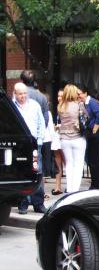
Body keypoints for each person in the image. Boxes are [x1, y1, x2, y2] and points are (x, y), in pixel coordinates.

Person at [12, 83, 46, 213]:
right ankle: (23, 203)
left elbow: (41, 123)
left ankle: (38, 203)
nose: (23, 96)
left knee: (37, 173)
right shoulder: (12, 106)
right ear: (15, 93)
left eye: (25, 93)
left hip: (34, 144)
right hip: (20, 145)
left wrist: (40, 141)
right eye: (20, 94)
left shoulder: (34, 105)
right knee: (22, 174)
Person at [58, 84, 86, 193]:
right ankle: (75, 189)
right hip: (78, 137)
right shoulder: (79, 105)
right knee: (78, 165)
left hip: (64, 138)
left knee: (68, 165)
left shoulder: (61, 106)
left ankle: (69, 189)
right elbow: (86, 118)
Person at [77, 85, 99, 190]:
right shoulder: (84, 103)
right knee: (92, 161)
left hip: (96, 135)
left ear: (85, 93)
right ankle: (95, 184)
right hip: (91, 134)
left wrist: (95, 129)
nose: (78, 96)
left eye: (79, 94)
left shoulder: (92, 102)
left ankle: (98, 185)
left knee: (95, 161)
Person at [51, 89, 65, 195]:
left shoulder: (68, 107)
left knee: (67, 162)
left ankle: (71, 186)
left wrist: (61, 126)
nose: (59, 98)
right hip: (57, 136)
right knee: (57, 162)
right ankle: (57, 187)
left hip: (65, 137)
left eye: (61, 96)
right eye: (58, 96)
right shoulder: (58, 107)